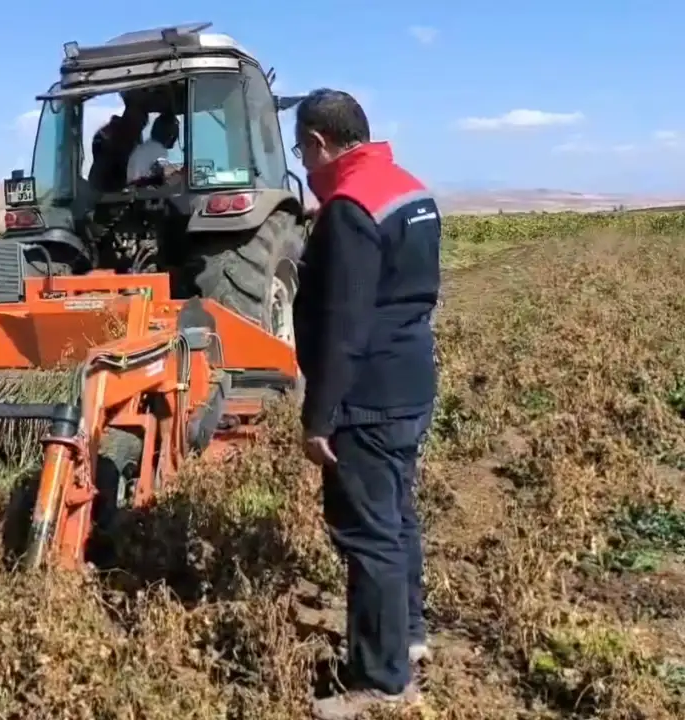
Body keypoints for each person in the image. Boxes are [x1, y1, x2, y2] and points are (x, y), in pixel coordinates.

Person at [289, 88, 441, 720]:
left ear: (319, 142)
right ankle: (408, 635)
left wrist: (319, 414)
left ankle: (382, 683)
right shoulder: (409, 189)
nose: (305, 163)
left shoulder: (350, 207)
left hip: (368, 394)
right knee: (397, 514)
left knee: (369, 534)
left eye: (302, 150)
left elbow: (345, 324)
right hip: (409, 381)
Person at [88, 101, 149, 192]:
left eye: (142, 126)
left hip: (116, 187)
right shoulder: (108, 135)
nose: (139, 130)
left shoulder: (132, 136)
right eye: (138, 125)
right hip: (103, 187)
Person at [126, 113, 181, 184]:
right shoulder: (159, 153)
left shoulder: (146, 147)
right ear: (171, 135)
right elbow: (166, 184)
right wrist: (181, 175)